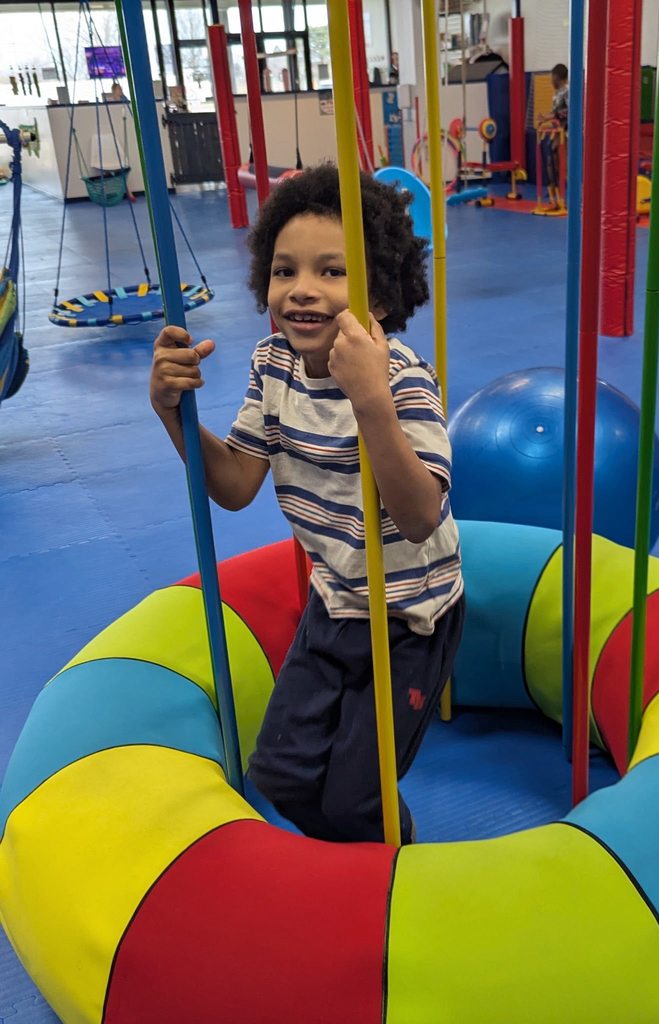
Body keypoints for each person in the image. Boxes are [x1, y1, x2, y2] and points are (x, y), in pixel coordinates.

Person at [149, 164, 465, 846]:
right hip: (336, 602)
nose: (301, 290)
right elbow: (234, 487)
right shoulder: (273, 366)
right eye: (284, 270)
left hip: (410, 616)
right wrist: (175, 415)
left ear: (378, 295)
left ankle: (391, 876)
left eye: (331, 272)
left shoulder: (403, 379)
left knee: (359, 798)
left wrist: (369, 399)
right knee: (281, 775)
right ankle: (353, 862)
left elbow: (417, 518)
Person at [537, 63, 569, 208]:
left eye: (552, 79)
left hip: (568, 133)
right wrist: (546, 120)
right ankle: (554, 196)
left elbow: (567, 111)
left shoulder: (568, 91)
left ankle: (572, 198)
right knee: (551, 161)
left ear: (559, 78)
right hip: (559, 132)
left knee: (565, 166)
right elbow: (556, 114)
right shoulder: (556, 94)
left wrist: (548, 118)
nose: (551, 82)